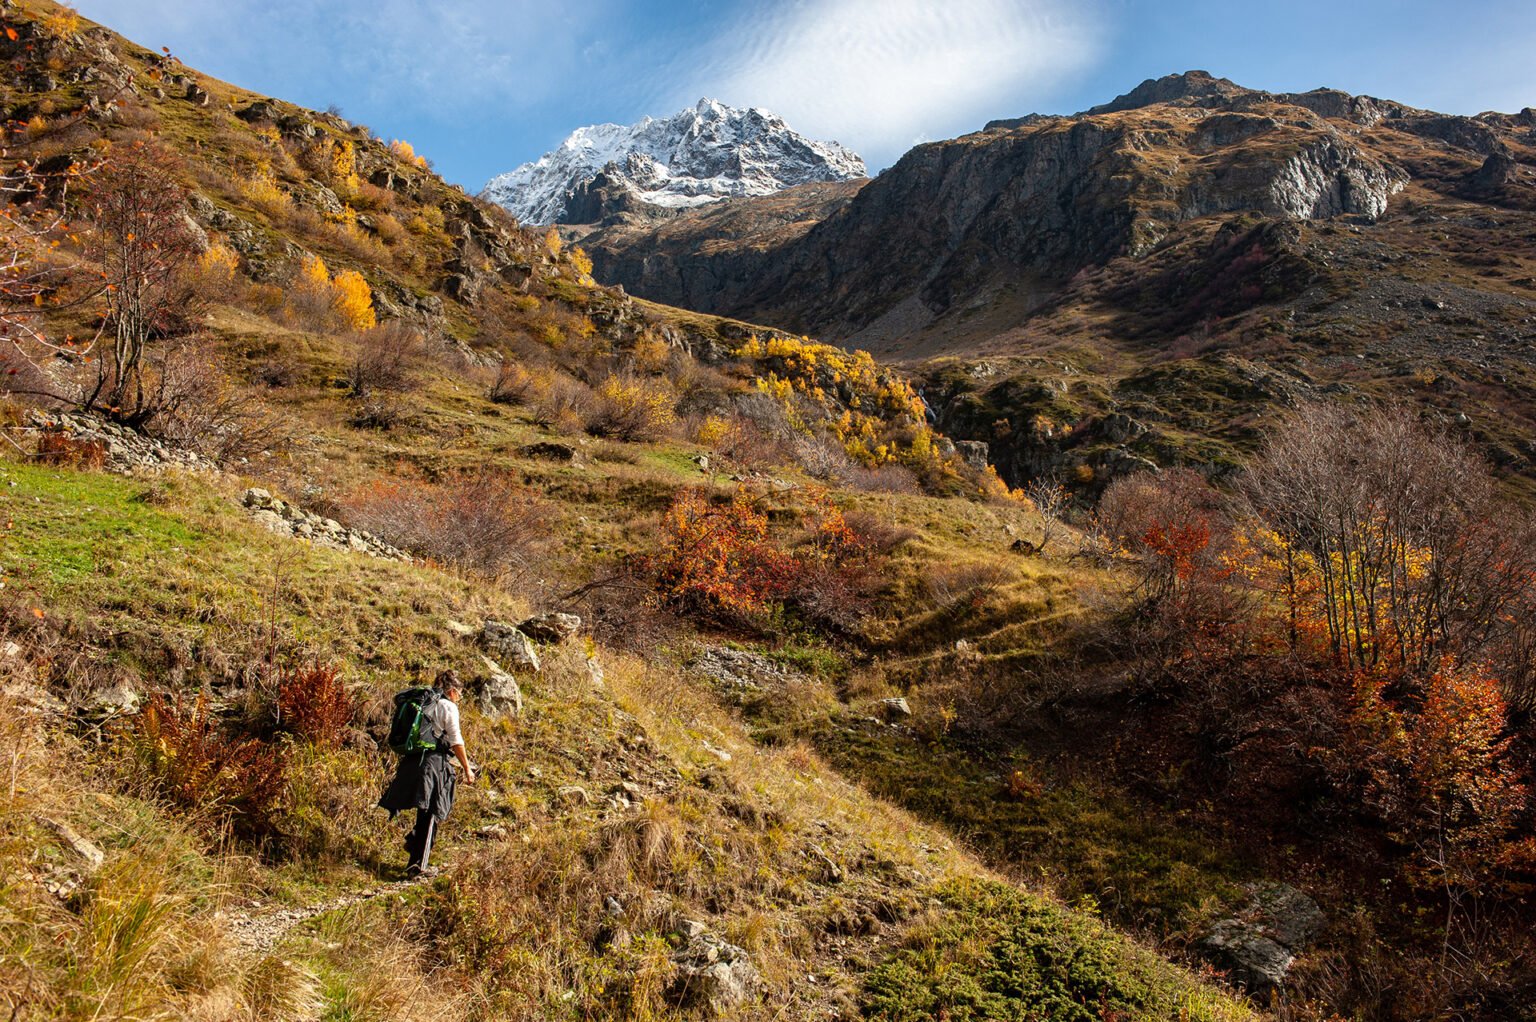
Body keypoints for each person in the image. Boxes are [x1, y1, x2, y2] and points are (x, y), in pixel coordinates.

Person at [378, 670, 475, 877]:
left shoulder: (425, 702)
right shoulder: (448, 706)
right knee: (431, 812)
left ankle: (414, 845)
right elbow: (456, 740)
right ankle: (418, 866)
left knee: (426, 811)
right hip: (433, 763)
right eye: (460, 693)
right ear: (452, 691)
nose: (460, 698)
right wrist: (467, 768)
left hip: (413, 761)